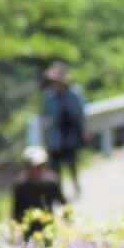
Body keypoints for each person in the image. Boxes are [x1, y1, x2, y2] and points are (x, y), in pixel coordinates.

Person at [34, 60, 89, 196]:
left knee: (72, 164)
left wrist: (84, 131)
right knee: (55, 168)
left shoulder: (74, 93)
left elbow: (81, 114)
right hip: (54, 138)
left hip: (70, 136)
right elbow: (44, 118)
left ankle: (76, 187)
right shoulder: (48, 96)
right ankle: (59, 194)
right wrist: (43, 138)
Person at [7, 145, 65, 235]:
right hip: (28, 228)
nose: (35, 170)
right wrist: (15, 229)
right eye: (31, 167)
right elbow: (16, 210)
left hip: (48, 226)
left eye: (39, 166)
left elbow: (62, 202)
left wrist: (66, 221)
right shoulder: (21, 185)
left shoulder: (51, 181)